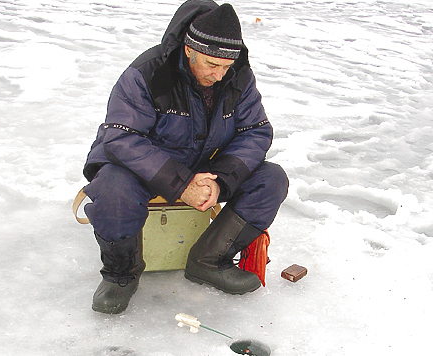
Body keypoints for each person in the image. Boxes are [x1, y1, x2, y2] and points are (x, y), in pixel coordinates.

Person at [82, 0, 289, 314]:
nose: (219, 75)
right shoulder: (148, 72)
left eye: (226, 66)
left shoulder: (238, 77)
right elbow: (121, 137)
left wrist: (219, 182)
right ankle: (120, 274)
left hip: (203, 162)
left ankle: (208, 261)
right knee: (113, 186)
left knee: (271, 179)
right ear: (189, 49)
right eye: (211, 64)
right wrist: (181, 185)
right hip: (141, 166)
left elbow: (255, 131)